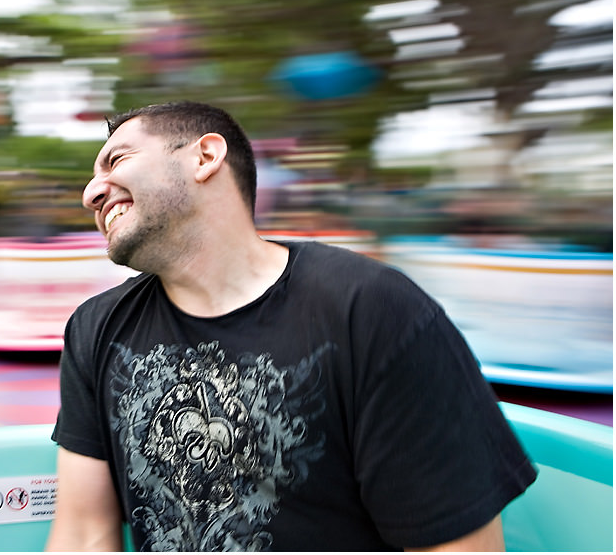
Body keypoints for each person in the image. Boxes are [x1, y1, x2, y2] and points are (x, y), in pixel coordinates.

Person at [46, 102, 537, 551]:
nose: (91, 192)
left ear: (204, 158)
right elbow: (83, 536)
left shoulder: (372, 311)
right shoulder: (96, 328)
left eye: (117, 160)